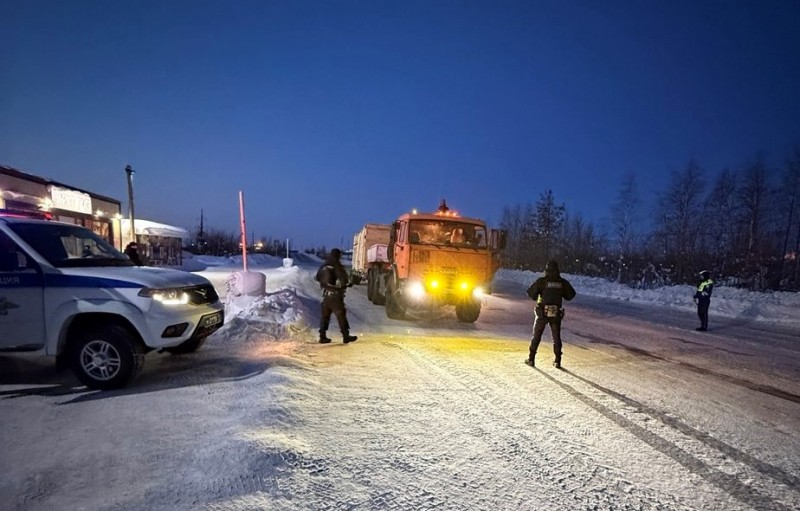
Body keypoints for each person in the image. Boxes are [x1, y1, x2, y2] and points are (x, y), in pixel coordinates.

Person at [525, 260, 576, 369]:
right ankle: (557, 360)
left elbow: (531, 294)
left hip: (542, 313)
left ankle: (531, 358)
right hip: (556, 313)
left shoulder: (542, 281)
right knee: (556, 337)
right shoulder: (562, 282)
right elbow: (571, 295)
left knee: (537, 336)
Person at [315, 248, 358, 344]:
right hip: (336, 296)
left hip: (326, 296)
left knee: (325, 316)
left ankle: (322, 336)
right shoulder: (337, 266)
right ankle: (346, 336)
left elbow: (317, 277)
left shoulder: (324, 265)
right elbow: (344, 280)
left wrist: (325, 284)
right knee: (341, 315)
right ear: (338, 256)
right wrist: (346, 284)